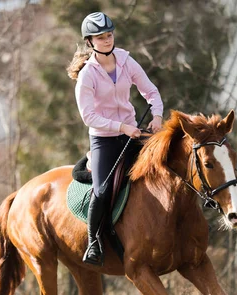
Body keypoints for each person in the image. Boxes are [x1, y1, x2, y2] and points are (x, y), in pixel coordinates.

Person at [67, 12, 164, 265]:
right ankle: (94, 243)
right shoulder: (87, 75)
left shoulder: (125, 60)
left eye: (109, 35)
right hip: (105, 140)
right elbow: (89, 117)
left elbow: (150, 91)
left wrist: (157, 115)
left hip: (133, 132)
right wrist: (121, 127)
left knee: (164, 165)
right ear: (90, 42)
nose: (107, 40)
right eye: (100, 37)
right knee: (101, 191)